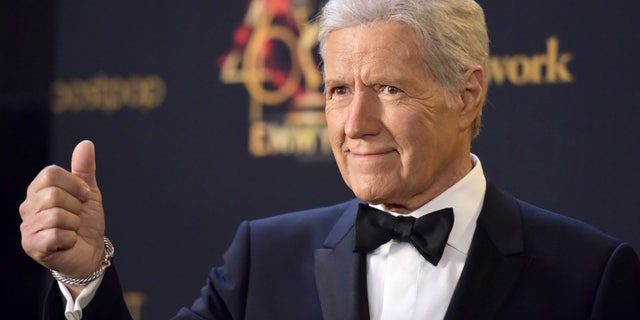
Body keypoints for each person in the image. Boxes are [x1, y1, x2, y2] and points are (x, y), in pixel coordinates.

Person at [19, 0, 640, 319]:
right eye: (339, 90)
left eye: (389, 89)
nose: (355, 125)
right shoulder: (263, 258)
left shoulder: (589, 277)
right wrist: (83, 277)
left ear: (468, 94)